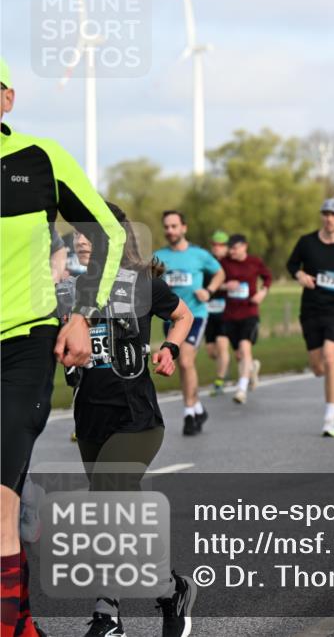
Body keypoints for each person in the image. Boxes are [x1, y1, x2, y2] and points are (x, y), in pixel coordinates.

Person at [1, 57, 125, 637]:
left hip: (22, 346)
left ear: (8, 99)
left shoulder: (39, 159)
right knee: (9, 504)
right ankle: (21, 623)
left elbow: (108, 230)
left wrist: (81, 315)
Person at [65, 204, 197, 637]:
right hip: (90, 419)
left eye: (91, 232)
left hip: (136, 417)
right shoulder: (67, 288)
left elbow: (183, 316)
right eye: (78, 232)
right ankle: (169, 590)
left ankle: (108, 616)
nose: (81, 239)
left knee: (105, 502)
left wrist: (170, 350)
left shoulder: (142, 282)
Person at [286, 198, 334, 437]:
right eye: (326, 214)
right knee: (318, 368)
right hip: (311, 309)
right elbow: (291, 265)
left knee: (329, 358)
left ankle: (329, 419)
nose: (330, 218)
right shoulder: (307, 242)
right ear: (322, 217)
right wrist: (299, 275)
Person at [154, 211, 225, 435]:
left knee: (185, 361)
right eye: (167, 226)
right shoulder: (158, 256)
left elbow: (220, 273)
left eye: (174, 226)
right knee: (184, 366)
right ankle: (197, 408)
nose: (170, 231)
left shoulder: (199, 255)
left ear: (184, 228)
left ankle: (189, 415)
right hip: (172, 317)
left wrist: (209, 290)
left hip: (195, 315)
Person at [219, 234, 270, 404]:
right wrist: (226, 286)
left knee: (245, 346)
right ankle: (252, 368)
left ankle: (241, 389)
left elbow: (268, 277)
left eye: (234, 248)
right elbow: (213, 284)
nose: (231, 251)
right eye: (229, 248)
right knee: (239, 355)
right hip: (230, 314)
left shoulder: (254, 262)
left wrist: (262, 292)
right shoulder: (224, 263)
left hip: (249, 312)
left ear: (244, 246)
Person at [204, 231, 231, 396]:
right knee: (211, 351)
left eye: (220, 245)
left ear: (227, 247)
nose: (217, 248)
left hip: (226, 309)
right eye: (214, 244)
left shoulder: (230, 263)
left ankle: (220, 381)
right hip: (208, 310)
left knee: (222, 346)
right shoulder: (207, 262)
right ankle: (246, 368)